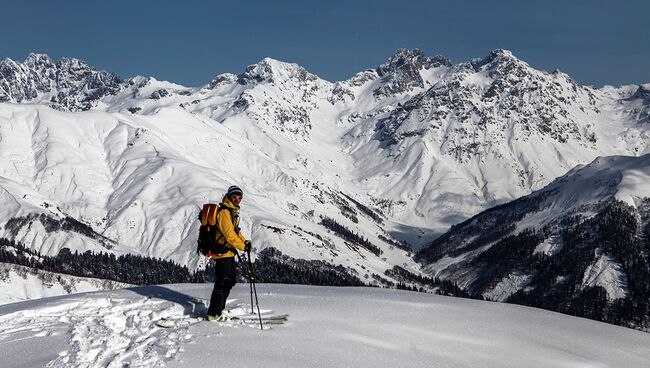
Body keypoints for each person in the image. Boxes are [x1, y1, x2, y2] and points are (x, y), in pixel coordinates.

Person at [206, 185, 252, 321]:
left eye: (239, 198)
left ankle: (219, 309)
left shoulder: (232, 212)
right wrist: (243, 247)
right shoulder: (225, 213)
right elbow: (229, 235)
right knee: (222, 282)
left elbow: (236, 232)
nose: (237, 200)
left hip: (228, 253)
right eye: (234, 197)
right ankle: (213, 313)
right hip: (222, 253)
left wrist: (245, 242)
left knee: (229, 281)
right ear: (229, 197)